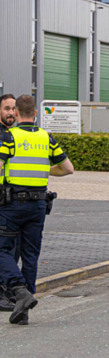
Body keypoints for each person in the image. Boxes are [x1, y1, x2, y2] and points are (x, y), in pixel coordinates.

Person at [0, 95, 74, 324]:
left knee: (2, 249)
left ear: (18, 114)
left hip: (13, 204)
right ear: (35, 114)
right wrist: (43, 169)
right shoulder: (46, 138)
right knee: (30, 255)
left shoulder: (9, 136)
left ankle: (19, 291)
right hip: (38, 205)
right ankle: (24, 310)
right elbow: (68, 168)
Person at [0, 93, 18, 312]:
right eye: (6, 108)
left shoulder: (16, 134)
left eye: (14, 108)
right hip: (2, 200)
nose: (11, 112)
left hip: (14, 203)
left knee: (12, 249)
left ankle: (9, 290)